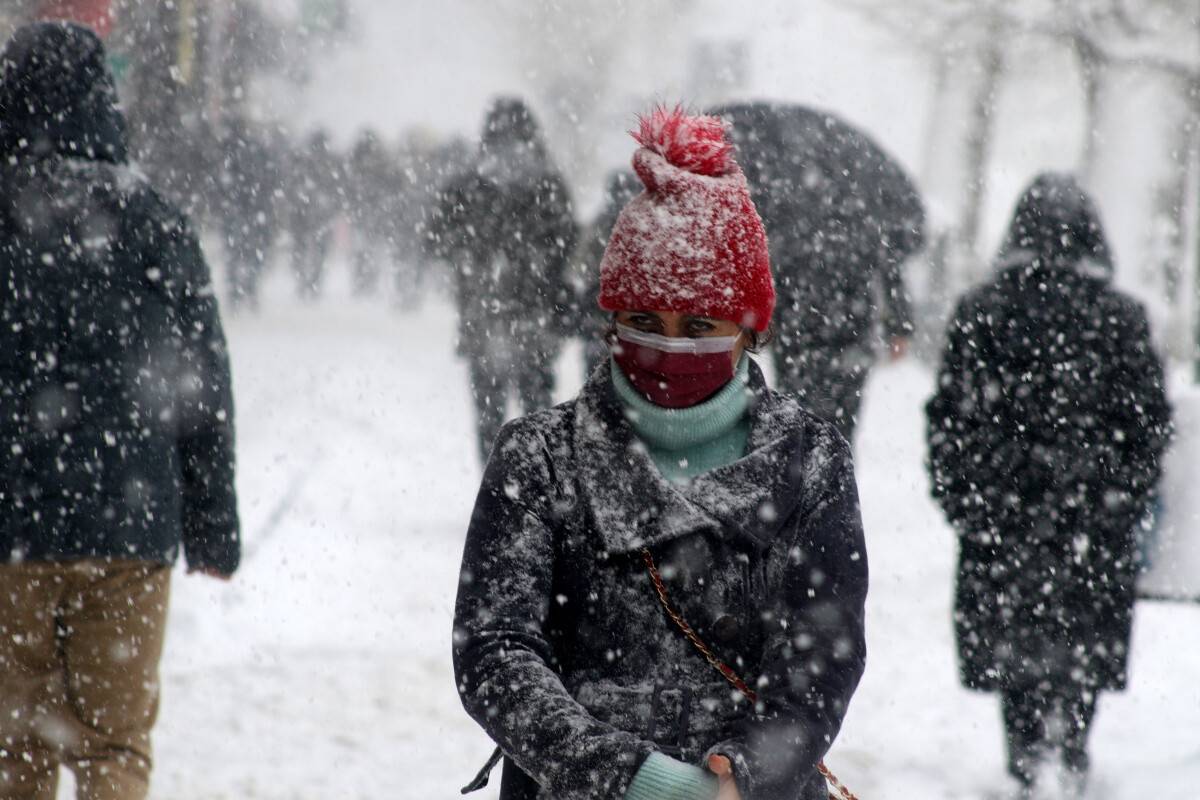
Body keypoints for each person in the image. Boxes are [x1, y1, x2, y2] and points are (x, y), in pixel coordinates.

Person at [453, 107, 867, 800]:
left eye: (699, 325)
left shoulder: (810, 460)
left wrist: (747, 772)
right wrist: (636, 780)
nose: (670, 346)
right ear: (611, 322)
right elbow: (495, 653)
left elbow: (823, 655)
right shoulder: (538, 457)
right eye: (644, 321)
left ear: (748, 330)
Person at [0, 22, 240, 799]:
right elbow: (202, 383)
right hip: (128, 531)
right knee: (115, 744)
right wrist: (212, 523)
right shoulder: (153, 218)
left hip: (9, 529)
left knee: (13, 749)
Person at [925, 173, 1171, 798]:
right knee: (1083, 646)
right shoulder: (1122, 317)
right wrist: (1123, 494)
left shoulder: (981, 311)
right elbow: (1148, 423)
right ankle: (1072, 755)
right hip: (1094, 516)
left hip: (1004, 513)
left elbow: (950, 418)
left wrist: (965, 499)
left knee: (1015, 648)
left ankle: (1026, 760)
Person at [714, 102, 925, 442]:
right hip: (848, 325)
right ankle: (826, 465)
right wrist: (901, 324)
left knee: (796, 413)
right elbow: (890, 265)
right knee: (837, 423)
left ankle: (801, 463)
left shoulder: (791, 208)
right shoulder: (863, 206)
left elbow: (768, 265)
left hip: (799, 324)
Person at [431, 97, 577, 462]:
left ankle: (495, 486)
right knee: (538, 412)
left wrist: (470, 260)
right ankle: (538, 485)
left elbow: (436, 240)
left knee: (489, 414)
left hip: (483, 313)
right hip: (535, 313)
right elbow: (566, 245)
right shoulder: (548, 183)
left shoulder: (467, 185)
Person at [570, 167, 640, 379]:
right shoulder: (645, 223)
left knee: (595, 372)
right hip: (632, 312)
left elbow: (580, 264)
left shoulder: (600, 222)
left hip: (598, 308)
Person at [287, 129, 343, 299]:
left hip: (304, 216)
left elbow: (291, 187)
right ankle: (313, 282)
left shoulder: (302, 160)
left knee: (303, 250)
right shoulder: (330, 163)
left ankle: (305, 281)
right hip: (319, 217)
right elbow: (338, 189)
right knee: (318, 251)